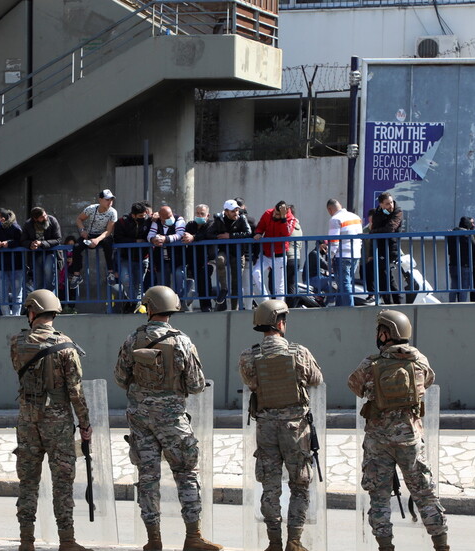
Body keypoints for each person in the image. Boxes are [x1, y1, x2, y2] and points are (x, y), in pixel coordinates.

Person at [114, 286, 222, 551]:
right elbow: (196, 384)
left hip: (140, 419)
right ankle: (193, 537)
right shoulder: (182, 341)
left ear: (148, 307)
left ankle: (153, 540)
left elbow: (120, 378)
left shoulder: (132, 339)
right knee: (185, 473)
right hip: (173, 419)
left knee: (148, 477)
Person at [348, 310, 449, 551]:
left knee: (379, 497)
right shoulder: (419, 362)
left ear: (385, 333)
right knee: (425, 494)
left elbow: (354, 385)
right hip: (409, 440)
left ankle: (385, 546)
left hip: (378, 442)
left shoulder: (370, 364)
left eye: (379, 331)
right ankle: (442, 545)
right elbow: (429, 381)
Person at [10, 290, 93, 551]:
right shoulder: (67, 346)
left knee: (28, 481)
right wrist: (85, 424)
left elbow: (18, 370)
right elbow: (75, 391)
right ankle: (66, 540)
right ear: (54, 313)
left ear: (32, 312)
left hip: (27, 418)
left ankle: (26, 540)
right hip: (57, 421)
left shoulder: (17, 342)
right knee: (62, 482)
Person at [239, 300, 323, 551]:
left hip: (265, 428)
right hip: (295, 429)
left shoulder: (248, 355)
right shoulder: (299, 352)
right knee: (299, 485)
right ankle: (294, 542)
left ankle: (273, 543)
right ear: (280, 322)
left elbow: (250, 383)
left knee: (270, 486)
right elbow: (317, 379)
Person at [68, 190, 118, 289]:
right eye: (107, 199)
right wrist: (82, 230)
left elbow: (108, 231)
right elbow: (79, 219)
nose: (110, 202)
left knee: (108, 245)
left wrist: (97, 240)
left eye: (111, 199)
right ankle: (77, 274)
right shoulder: (91, 208)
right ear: (100, 200)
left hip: (104, 235)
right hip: (90, 234)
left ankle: (110, 273)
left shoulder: (113, 212)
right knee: (76, 247)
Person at [210, 199, 252, 311]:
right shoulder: (219, 219)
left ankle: (234, 308)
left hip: (238, 253)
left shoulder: (242, 218)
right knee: (219, 260)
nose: (236, 213)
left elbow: (248, 233)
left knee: (236, 281)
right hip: (225, 251)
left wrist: (230, 236)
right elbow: (210, 233)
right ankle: (224, 288)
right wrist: (219, 236)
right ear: (226, 211)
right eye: (233, 211)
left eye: (237, 210)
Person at [252, 201, 296, 299]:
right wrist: (259, 232)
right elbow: (260, 226)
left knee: (279, 285)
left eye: (277, 214)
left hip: (279, 256)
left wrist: (283, 219)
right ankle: (266, 298)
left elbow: (286, 233)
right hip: (265, 254)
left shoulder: (290, 218)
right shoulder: (268, 213)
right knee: (255, 273)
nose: (274, 215)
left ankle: (280, 307)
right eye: (274, 212)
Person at [113, 203, 152, 313]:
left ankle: (134, 304)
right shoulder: (122, 222)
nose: (143, 218)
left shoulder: (148, 221)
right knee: (125, 280)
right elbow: (118, 238)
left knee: (138, 283)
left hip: (142, 257)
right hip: (125, 257)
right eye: (140, 216)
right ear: (133, 215)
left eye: (144, 215)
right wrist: (135, 241)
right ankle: (134, 302)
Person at [147, 205, 191, 296]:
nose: (170, 218)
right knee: (163, 285)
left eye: (170, 215)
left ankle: (181, 300)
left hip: (178, 258)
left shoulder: (179, 219)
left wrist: (165, 239)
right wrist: (153, 240)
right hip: (161, 259)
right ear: (160, 217)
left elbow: (179, 234)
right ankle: (165, 305)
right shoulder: (157, 221)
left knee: (179, 276)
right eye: (166, 217)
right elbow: (150, 235)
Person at [326, 200, 363, 307]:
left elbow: (334, 241)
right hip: (355, 254)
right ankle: (339, 307)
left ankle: (349, 309)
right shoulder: (356, 217)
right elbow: (360, 237)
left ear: (330, 209)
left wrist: (330, 256)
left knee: (344, 284)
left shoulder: (335, 219)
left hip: (342, 255)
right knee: (345, 283)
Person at [369, 192, 404, 305]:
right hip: (379, 247)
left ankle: (396, 301)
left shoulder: (397, 211)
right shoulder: (377, 212)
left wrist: (373, 232)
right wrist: (370, 253)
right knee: (381, 274)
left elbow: (390, 228)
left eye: (391, 202)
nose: (390, 206)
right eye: (387, 204)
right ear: (381, 204)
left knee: (386, 274)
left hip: (390, 247)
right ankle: (387, 300)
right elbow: (374, 231)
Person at [0, 208, 24, 316]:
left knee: (17, 293)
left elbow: (21, 241)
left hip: (16, 265)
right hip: (0, 266)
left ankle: (16, 315)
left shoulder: (15, 228)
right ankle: (6, 316)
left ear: (2, 219)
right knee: (2, 294)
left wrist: (8, 243)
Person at [21, 207, 64, 293]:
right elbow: (23, 240)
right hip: (36, 255)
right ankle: (39, 301)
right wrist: (31, 244)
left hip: (51, 253)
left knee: (49, 275)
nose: (45, 218)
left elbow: (58, 239)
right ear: (35, 219)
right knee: (38, 280)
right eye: (42, 217)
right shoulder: (28, 224)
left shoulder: (52, 220)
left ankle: (51, 300)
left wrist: (42, 243)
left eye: (45, 215)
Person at [184, 204, 217, 313]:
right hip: (193, 260)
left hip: (208, 259)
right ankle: (216, 294)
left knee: (204, 278)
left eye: (202, 214)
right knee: (194, 284)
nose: (199, 215)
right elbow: (185, 234)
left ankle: (206, 306)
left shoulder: (211, 224)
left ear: (207, 215)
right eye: (197, 213)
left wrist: (193, 237)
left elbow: (208, 234)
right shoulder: (190, 225)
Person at [445, 217, 475, 303]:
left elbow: (449, 250)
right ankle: (462, 304)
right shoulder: (467, 234)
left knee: (454, 285)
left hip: (453, 264)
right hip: (465, 265)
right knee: (464, 288)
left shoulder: (451, 233)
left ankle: (451, 303)